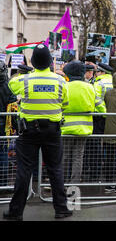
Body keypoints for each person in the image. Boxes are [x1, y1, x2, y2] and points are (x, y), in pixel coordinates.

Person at [3, 44, 72, 220]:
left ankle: (16, 211)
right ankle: (61, 209)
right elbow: (66, 103)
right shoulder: (60, 81)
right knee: (55, 170)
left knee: (24, 172)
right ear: (50, 61)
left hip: (29, 132)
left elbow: (10, 86)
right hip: (52, 131)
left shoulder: (23, 80)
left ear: (33, 62)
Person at [61, 61, 105, 184]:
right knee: (78, 157)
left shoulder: (64, 86)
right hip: (84, 128)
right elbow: (100, 107)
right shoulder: (89, 87)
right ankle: (74, 183)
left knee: (65, 156)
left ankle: (62, 182)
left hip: (66, 127)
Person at [84, 62, 113, 182]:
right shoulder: (114, 82)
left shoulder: (98, 83)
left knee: (95, 145)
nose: (96, 74)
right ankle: (107, 173)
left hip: (98, 116)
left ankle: (95, 173)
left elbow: (94, 99)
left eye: (98, 72)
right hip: (113, 117)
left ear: (102, 72)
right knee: (109, 146)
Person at [0, 62, 17, 191]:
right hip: (2, 125)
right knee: (3, 154)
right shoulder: (6, 86)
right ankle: (3, 183)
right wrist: (15, 125)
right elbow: (12, 105)